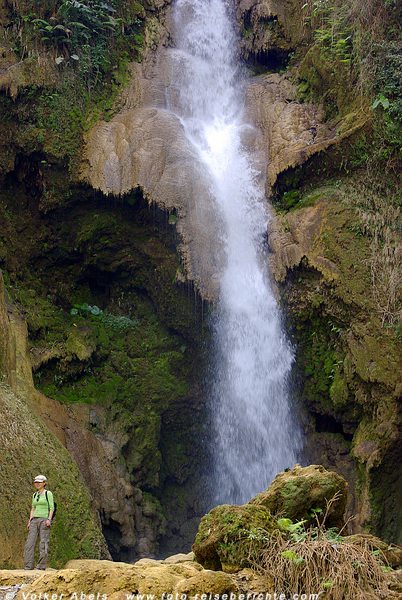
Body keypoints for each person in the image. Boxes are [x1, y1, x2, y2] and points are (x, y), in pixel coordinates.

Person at [24, 474, 54, 570]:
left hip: (44, 520)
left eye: (39, 482)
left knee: (43, 542)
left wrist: (49, 519)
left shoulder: (48, 493)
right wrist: (30, 520)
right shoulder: (35, 495)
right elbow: (33, 508)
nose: (37, 484)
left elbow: (51, 508)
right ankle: (28, 566)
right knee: (29, 543)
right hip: (34, 520)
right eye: (36, 482)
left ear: (44, 483)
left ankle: (41, 566)